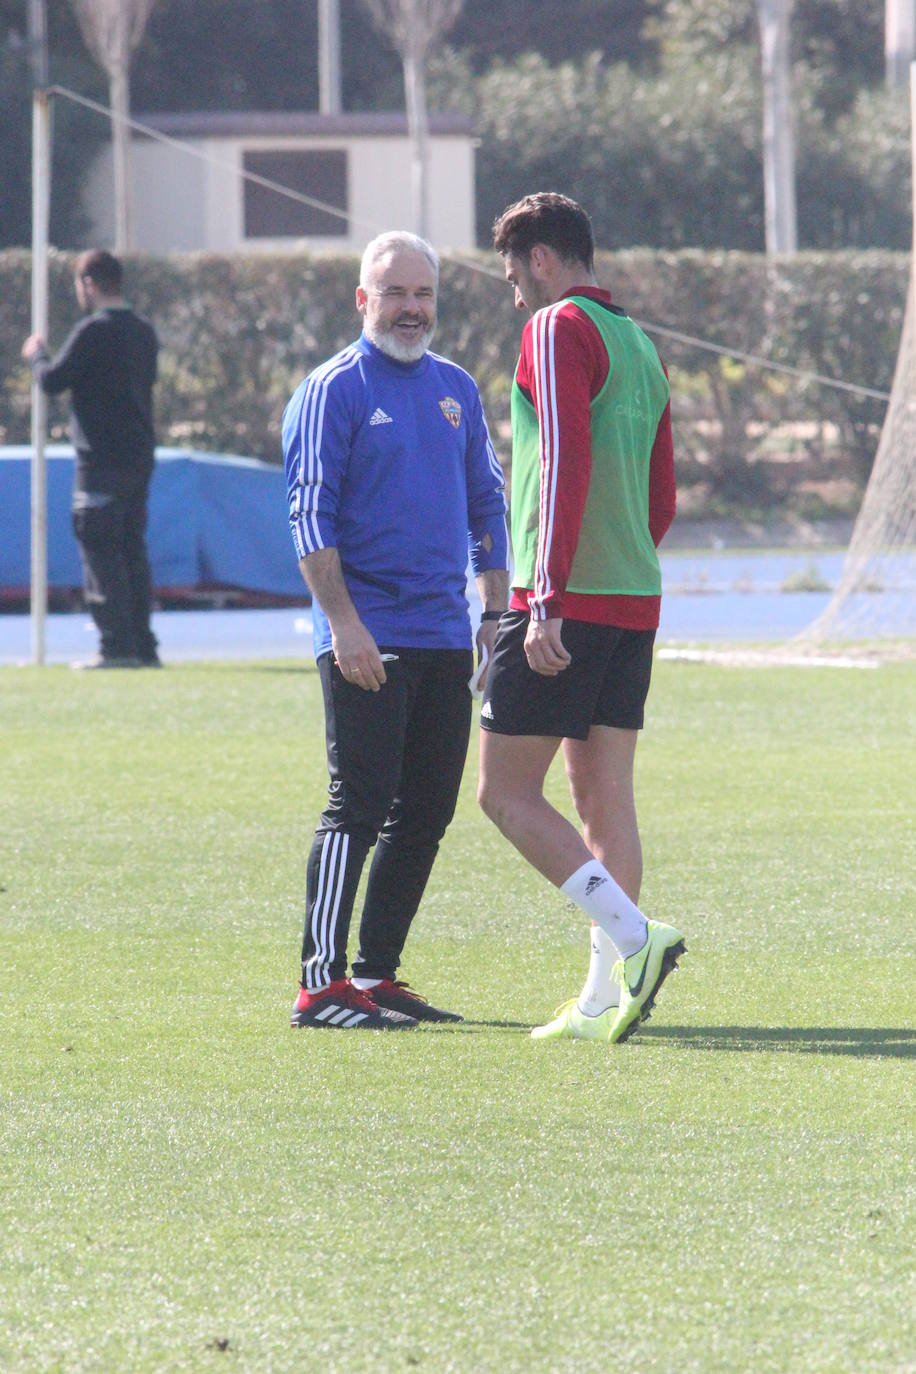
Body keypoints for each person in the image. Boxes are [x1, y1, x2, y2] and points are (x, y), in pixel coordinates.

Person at [283, 230, 509, 1031]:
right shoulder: (332, 389)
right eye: (395, 294)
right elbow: (308, 515)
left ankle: (377, 975)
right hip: (366, 638)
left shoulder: (455, 388)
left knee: (425, 813)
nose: (411, 309)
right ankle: (319, 986)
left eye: (423, 295)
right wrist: (344, 625)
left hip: (445, 634)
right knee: (358, 804)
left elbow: (487, 501)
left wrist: (495, 609)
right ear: (363, 300)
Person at [477, 192, 685, 1045]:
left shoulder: (558, 326)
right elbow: (661, 496)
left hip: (563, 599)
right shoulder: (640, 343)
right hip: (633, 595)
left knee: (501, 794)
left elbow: (560, 459)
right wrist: (620, 559)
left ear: (543, 260)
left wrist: (550, 593)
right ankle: (605, 997)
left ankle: (639, 941)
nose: (514, 293)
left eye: (514, 275)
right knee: (604, 800)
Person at [22, 250, 161, 669]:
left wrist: (36, 355)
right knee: (131, 550)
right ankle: (143, 646)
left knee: (101, 551)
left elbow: (52, 380)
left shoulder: (92, 332)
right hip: (138, 455)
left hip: (100, 457)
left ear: (89, 284)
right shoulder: (143, 332)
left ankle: (116, 648)